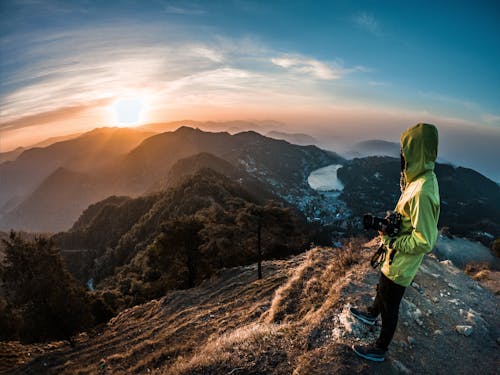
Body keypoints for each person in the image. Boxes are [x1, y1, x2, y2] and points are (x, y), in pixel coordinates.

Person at [351, 123, 441, 362]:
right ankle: (371, 313)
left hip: (402, 261)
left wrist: (393, 239)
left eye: (406, 150)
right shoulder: (420, 178)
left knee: (391, 305)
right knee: (382, 287)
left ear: (416, 152)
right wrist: (394, 224)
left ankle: (380, 348)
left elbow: (424, 241)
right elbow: (411, 220)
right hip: (395, 256)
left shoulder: (423, 191)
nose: (402, 156)